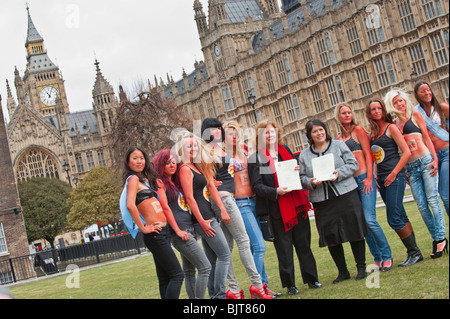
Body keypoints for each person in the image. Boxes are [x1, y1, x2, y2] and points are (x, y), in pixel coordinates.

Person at [200, 118, 272, 299]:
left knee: (228, 247)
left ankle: (233, 289)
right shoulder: (207, 152)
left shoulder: (221, 150)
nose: (216, 131)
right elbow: (210, 184)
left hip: (228, 198)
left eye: (218, 128)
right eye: (212, 129)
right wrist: (222, 209)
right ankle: (257, 285)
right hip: (225, 200)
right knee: (244, 241)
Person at [248, 120, 321, 295]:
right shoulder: (256, 158)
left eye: (272, 132)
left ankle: (312, 279)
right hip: (277, 209)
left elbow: (295, 173)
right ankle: (291, 285)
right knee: (284, 249)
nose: (270, 135)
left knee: (303, 245)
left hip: (297, 204)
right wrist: (276, 191)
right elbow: (257, 186)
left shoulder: (285, 150)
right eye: (265, 133)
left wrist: (296, 168)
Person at [299, 119, 368, 283]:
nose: (319, 133)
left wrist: (338, 173)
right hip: (322, 200)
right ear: (309, 135)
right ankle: (342, 271)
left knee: (354, 230)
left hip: (346, 193)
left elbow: (353, 164)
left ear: (325, 130)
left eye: (321, 129)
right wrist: (311, 182)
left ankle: (361, 267)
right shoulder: (304, 155)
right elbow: (302, 177)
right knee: (331, 236)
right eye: (315, 131)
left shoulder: (338, 145)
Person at [385, 89, 447, 258]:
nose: (400, 104)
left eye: (401, 101)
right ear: (392, 105)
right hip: (411, 168)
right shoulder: (394, 124)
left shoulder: (415, 114)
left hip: (426, 160)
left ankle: (440, 239)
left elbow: (427, 138)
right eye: (396, 102)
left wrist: (435, 159)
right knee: (421, 205)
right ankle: (437, 237)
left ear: (405, 101)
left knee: (433, 200)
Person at [223, 120, 279, 297]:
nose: (234, 136)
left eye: (236, 132)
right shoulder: (223, 156)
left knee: (256, 248)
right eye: (230, 133)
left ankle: (263, 286)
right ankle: (257, 287)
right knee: (259, 246)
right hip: (241, 203)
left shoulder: (246, 151)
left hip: (255, 201)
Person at [172, 130, 231, 299]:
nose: (194, 148)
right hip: (204, 219)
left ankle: (213, 295)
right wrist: (203, 222)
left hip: (208, 215)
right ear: (182, 150)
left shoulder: (195, 166)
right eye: (189, 146)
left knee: (212, 260)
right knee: (225, 255)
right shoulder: (184, 169)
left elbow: (208, 188)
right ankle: (220, 295)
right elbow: (190, 198)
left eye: (195, 145)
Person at [365, 98, 423, 267]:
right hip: (382, 179)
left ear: (383, 110)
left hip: (394, 178)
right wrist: (375, 175)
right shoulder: (372, 133)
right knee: (401, 215)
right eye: (373, 109)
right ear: (369, 113)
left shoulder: (392, 128)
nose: (376, 111)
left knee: (393, 218)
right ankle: (414, 252)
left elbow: (405, 153)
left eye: (378, 108)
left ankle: (414, 252)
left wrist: (394, 173)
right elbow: (375, 157)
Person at [335, 103, 393, 271]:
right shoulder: (338, 139)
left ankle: (386, 255)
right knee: (363, 223)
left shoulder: (358, 130)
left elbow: (368, 154)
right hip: (351, 185)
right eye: (343, 113)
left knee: (370, 219)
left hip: (363, 179)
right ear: (338, 117)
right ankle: (377, 258)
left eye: (349, 112)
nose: (347, 115)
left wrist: (369, 177)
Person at [123, 146, 184, 299]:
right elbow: (130, 204)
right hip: (155, 234)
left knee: (165, 278)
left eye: (142, 158)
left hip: (163, 232)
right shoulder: (133, 179)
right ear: (128, 162)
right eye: (135, 158)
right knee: (177, 275)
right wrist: (143, 228)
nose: (139, 161)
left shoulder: (144, 180)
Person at [152, 149, 211, 299]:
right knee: (205, 267)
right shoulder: (160, 183)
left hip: (188, 228)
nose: (172, 165)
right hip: (180, 233)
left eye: (174, 162)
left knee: (189, 272)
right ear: (160, 165)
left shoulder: (175, 182)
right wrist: (177, 230)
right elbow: (165, 208)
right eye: (167, 163)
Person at [414, 80, 449, 217]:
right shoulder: (417, 112)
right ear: (417, 95)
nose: (427, 93)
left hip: (446, 152)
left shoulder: (442, 107)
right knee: (442, 195)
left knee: (445, 195)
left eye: (428, 90)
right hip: (432, 157)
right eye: (423, 91)